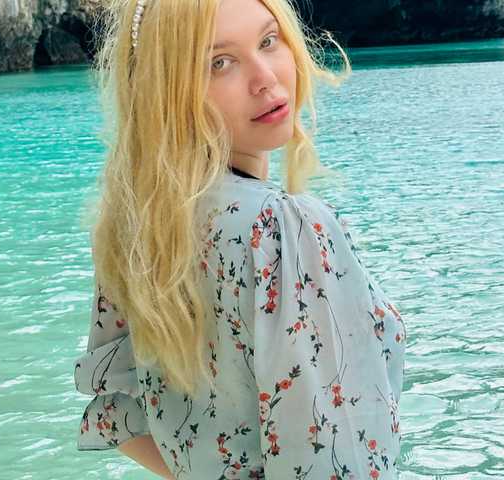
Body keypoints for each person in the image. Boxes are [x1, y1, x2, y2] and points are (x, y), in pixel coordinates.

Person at [72, 0, 407, 478]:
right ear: (167, 91)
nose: (265, 78)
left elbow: (118, 417)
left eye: (268, 41)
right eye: (219, 63)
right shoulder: (282, 227)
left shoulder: (139, 226)